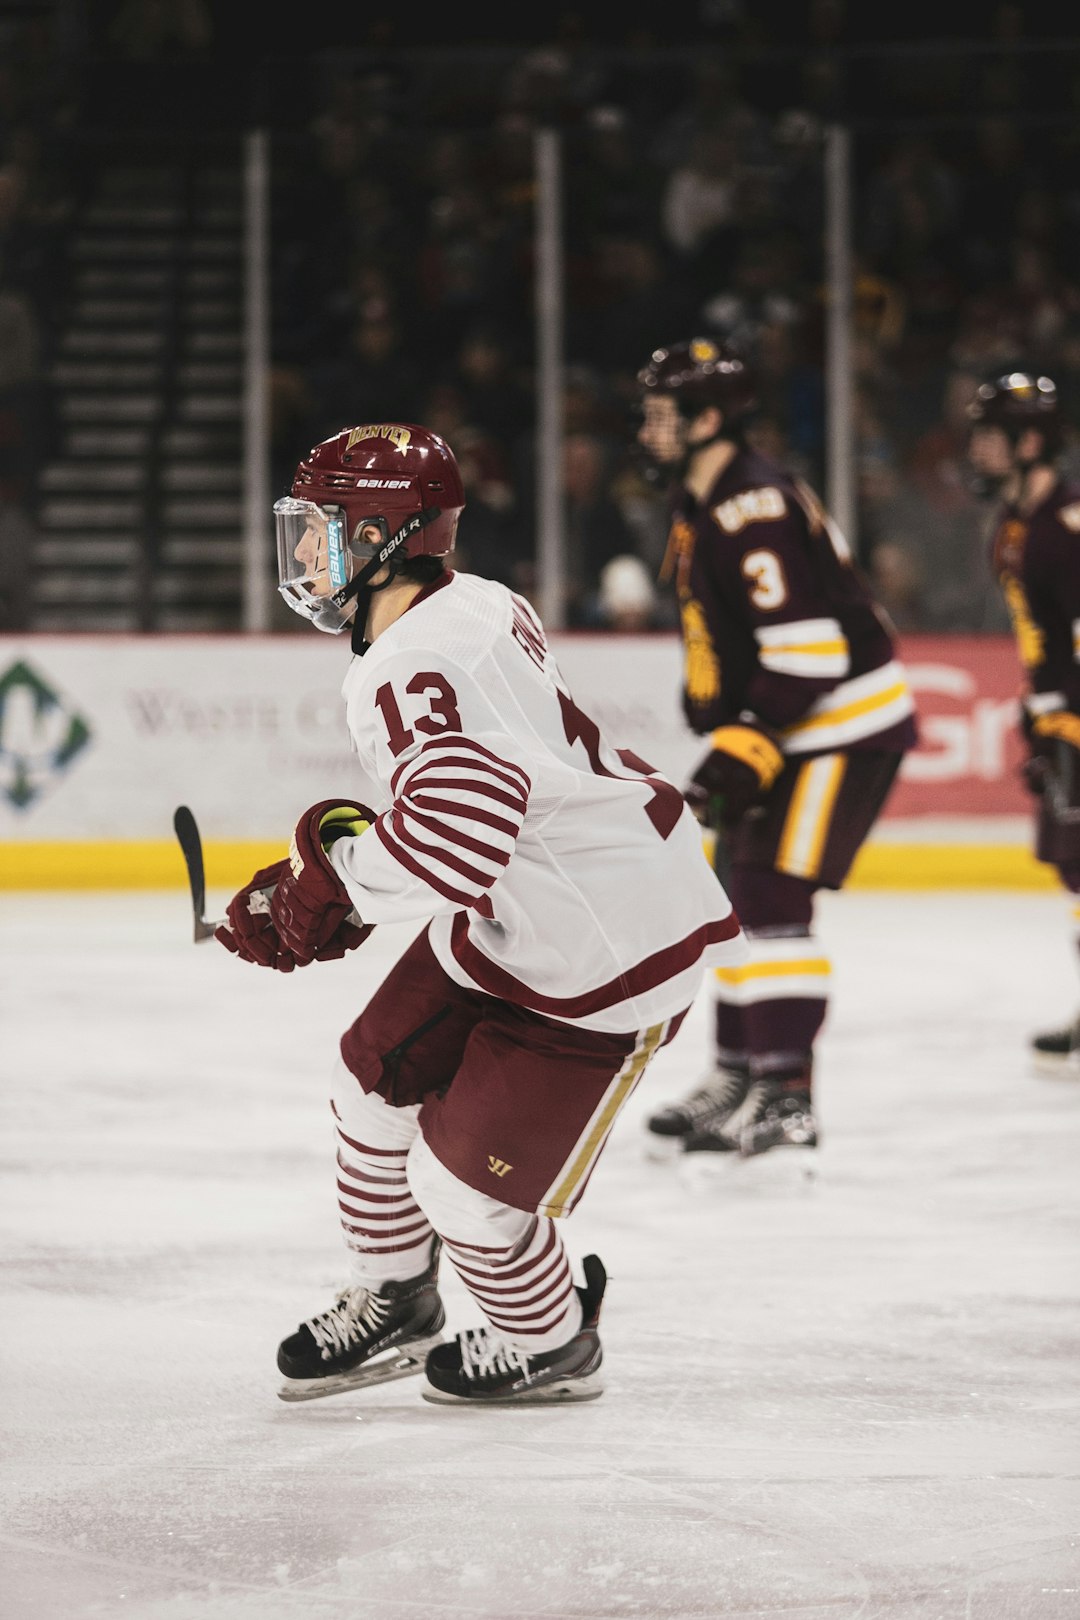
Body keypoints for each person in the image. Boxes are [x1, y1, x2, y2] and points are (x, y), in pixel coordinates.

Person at [215, 421, 748, 1406]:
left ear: (386, 536)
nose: (300, 551)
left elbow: (459, 839)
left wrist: (319, 892)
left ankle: (546, 1342)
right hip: (526, 909)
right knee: (365, 1080)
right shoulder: (472, 604)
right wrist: (328, 875)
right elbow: (472, 806)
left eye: (323, 528)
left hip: (602, 955)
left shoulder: (412, 664)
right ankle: (398, 1298)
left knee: (464, 1193)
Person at [634, 338, 918, 1162]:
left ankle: (786, 1094)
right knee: (734, 902)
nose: (645, 430)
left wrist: (742, 745)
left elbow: (811, 655)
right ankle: (742, 1075)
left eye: (660, 415)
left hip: (837, 729)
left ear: (708, 419)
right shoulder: (708, 496)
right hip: (793, 727)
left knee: (769, 900)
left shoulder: (746, 505)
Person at [966, 370, 1080, 1074]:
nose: (978, 450)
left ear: (1029, 441)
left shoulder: (1068, 524)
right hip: (1059, 716)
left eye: (990, 437)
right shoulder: (1014, 521)